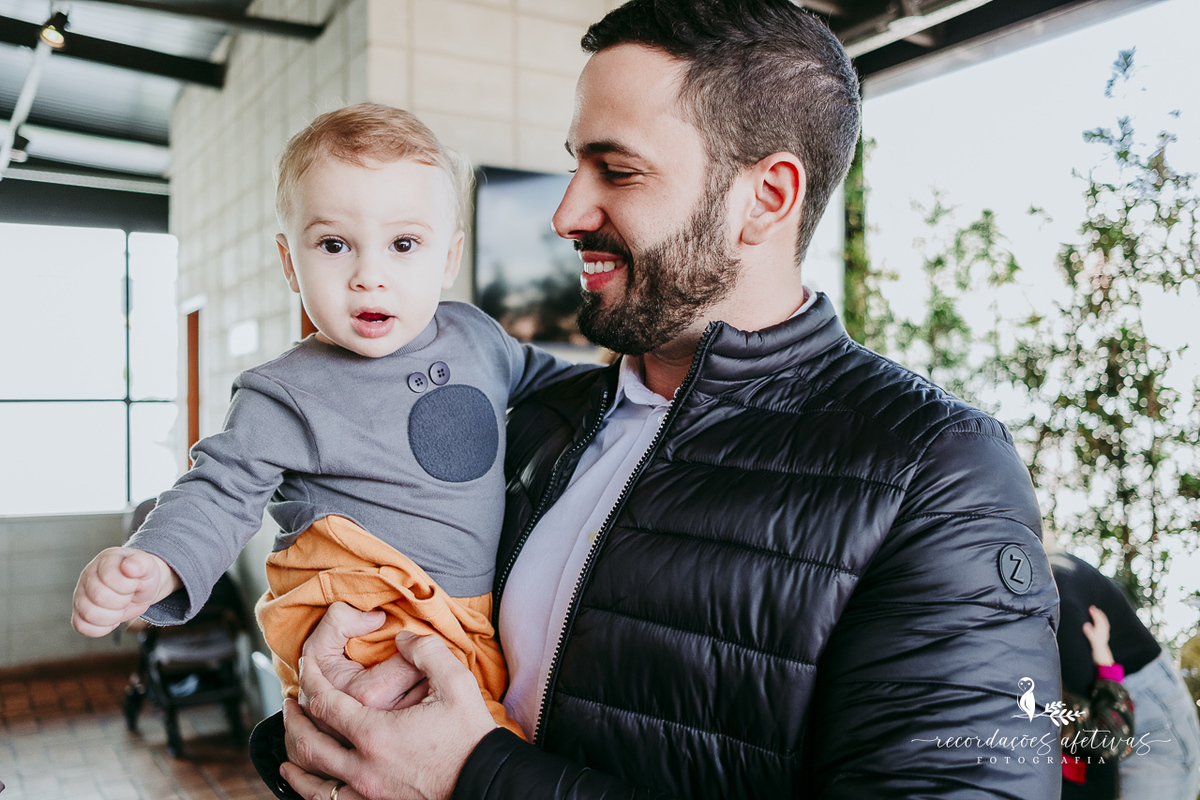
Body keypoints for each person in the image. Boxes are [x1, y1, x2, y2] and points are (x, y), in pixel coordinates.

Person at [256, 1, 1063, 798]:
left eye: (618, 170)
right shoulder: (538, 421)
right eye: (575, 165)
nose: (566, 214)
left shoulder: (938, 474)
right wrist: (321, 727)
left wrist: (478, 780)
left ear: (767, 197)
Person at [70, 103, 590, 738]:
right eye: (334, 245)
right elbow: (217, 492)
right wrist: (158, 561)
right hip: (363, 623)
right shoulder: (284, 393)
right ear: (291, 263)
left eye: (404, 244)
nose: (369, 276)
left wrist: (650, 370)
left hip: (472, 622)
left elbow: (564, 384)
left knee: (494, 747)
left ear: (449, 258)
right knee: (438, 751)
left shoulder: (478, 337)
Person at [1052, 552, 1200, 800]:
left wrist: (1106, 664)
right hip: (1110, 704)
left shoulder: (1060, 598)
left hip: (1143, 708)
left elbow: (1108, 739)